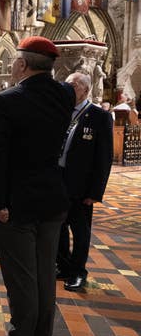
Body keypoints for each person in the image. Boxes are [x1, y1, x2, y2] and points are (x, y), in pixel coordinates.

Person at [0, 36, 74, 336]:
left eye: (14, 61)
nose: (10, 66)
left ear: (22, 64)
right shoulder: (65, 94)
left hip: (17, 205)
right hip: (52, 200)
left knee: (22, 280)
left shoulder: (6, 101)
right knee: (44, 277)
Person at [57, 72, 113, 291]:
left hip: (81, 187)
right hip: (58, 181)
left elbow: (104, 158)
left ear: (86, 90)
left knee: (80, 231)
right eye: (67, 85)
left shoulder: (99, 116)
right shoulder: (62, 112)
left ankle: (78, 272)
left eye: (73, 86)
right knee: (59, 227)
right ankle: (63, 265)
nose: (69, 89)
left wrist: (95, 192)